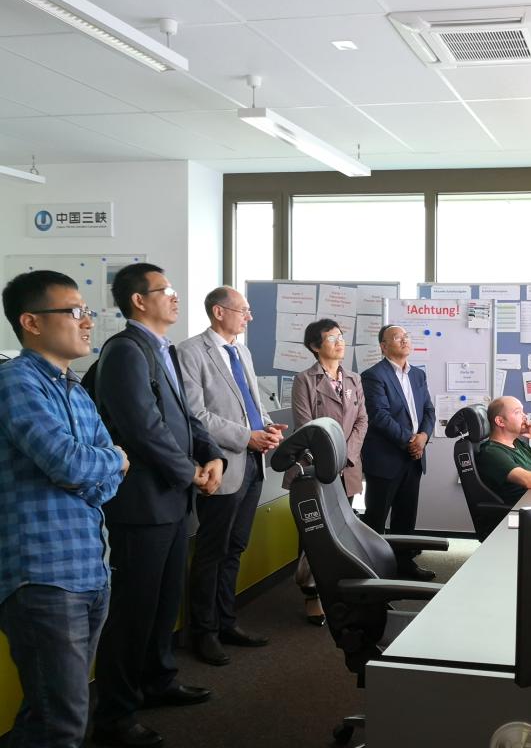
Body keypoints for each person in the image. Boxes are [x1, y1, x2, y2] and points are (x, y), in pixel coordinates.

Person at [91, 263, 226, 748]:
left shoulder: (162, 349)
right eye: (164, 290)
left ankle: (157, 680)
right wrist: (190, 471)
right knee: (134, 611)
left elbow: (187, 418)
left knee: (164, 603)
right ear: (138, 300)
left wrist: (212, 454)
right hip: (142, 506)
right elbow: (142, 427)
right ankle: (115, 715)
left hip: (170, 501)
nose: (174, 296)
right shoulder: (125, 351)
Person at [0, 271, 128, 747]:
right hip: (43, 575)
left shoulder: (75, 388)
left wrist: (98, 468)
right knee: (62, 724)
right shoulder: (15, 382)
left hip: (90, 569)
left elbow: (103, 484)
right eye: (74, 312)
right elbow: (72, 462)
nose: (88, 321)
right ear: (31, 322)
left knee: (50, 714)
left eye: (87, 311)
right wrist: (111, 459)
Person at [177, 287, 284, 664]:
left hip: (253, 464)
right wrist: (245, 436)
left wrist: (267, 427)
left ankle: (226, 621)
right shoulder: (190, 352)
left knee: (235, 547)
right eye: (244, 311)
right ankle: (203, 632)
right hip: (221, 464)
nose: (249, 317)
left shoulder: (242, 351)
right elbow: (195, 415)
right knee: (212, 551)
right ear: (219, 312)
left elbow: (252, 403)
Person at [288, 318, 368, 625]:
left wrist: (345, 453)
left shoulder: (353, 379)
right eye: (332, 338)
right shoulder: (304, 380)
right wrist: (329, 456)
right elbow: (305, 427)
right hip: (316, 468)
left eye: (341, 337)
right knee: (315, 533)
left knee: (344, 530)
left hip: (347, 467)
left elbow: (362, 421)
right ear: (314, 346)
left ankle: (339, 591)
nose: (340, 342)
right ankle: (312, 594)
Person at [360, 324, 435, 580]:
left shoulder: (418, 375)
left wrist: (423, 437)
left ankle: (404, 564)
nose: (404, 340)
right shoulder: (373, 375)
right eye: (397, 337)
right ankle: (371, 570)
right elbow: (378, 416)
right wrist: (410, 441)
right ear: (383, 346)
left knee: (406, 516)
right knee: (376, 517)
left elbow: (429, 411)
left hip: (414, 457)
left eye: (406, 336)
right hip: (386, 458)